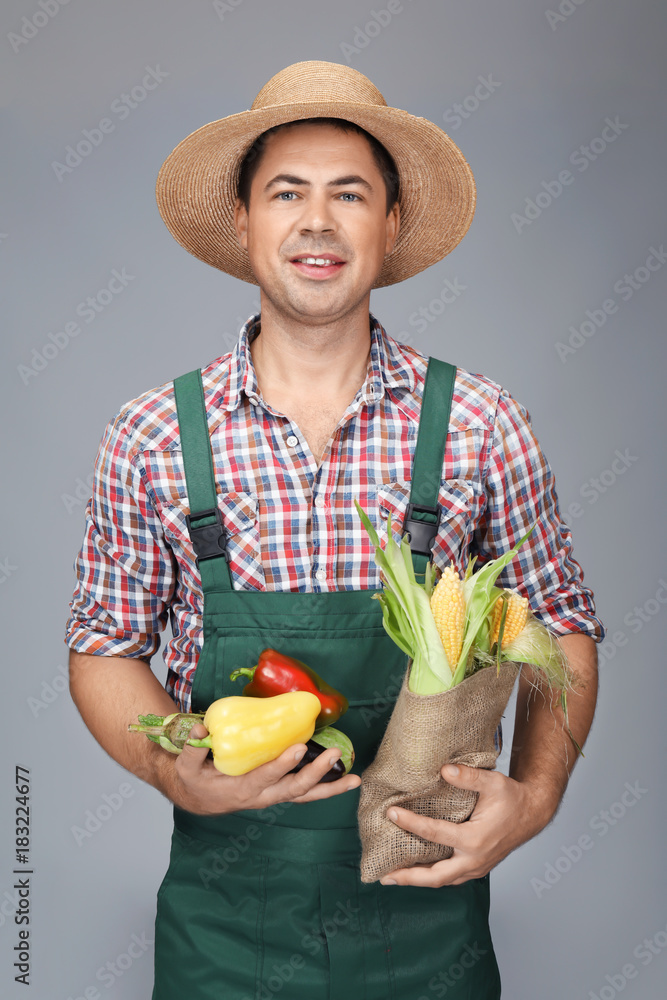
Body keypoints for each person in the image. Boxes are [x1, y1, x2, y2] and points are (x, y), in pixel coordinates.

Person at [66, 60, 605, 999]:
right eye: (287, 193)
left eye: (348, 194)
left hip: (426, 919)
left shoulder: (481, 422)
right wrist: (171, 773)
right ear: (243, 223)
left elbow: (559, 626)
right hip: (223, 935)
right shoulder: (150, 434)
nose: (317, 222)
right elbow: (102, 647)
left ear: (388, 227)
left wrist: (537, 796)